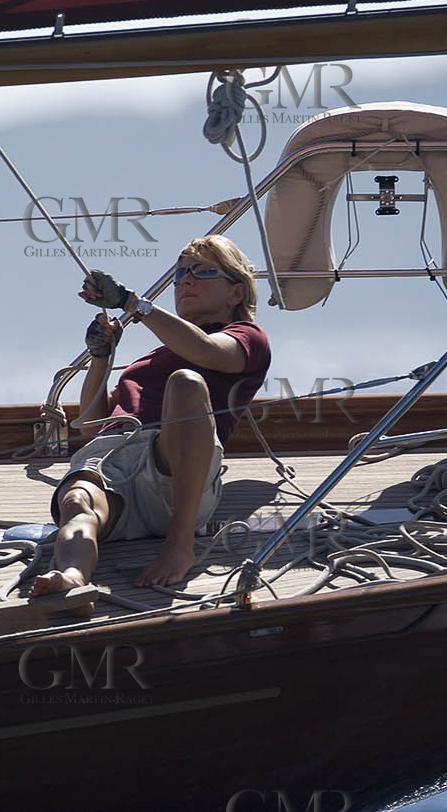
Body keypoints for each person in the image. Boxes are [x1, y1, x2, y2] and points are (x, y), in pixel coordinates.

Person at [31, 236, 271, 607]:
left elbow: (204, 351)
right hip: (114, 460)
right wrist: (101, 357)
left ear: (236, 293)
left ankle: (180, 545)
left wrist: (133, 304)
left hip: (173, 470)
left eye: (203, 271)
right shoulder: (158, 354)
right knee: (78, 501)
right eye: (181, 273)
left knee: (187, 383)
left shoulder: (247, 338)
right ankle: (74, 577)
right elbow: (93, 426)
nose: (187, 280)